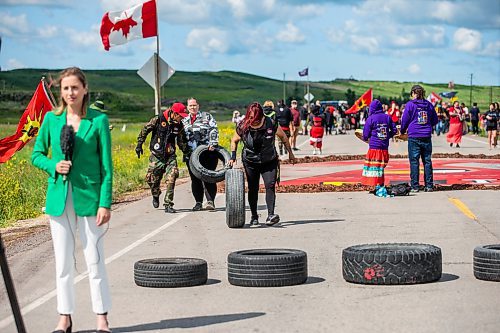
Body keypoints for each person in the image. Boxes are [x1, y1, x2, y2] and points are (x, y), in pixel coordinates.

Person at [31, 67, 112, 333]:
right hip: (58, 198)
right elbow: (37, 155)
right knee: (63, 262)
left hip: (90, 198)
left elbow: (107, 168)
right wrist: (54, 165)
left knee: (94, 259)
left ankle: (102, 319)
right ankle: (64, 317)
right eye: (66, 88)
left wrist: (105, 203)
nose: (70, 93)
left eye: (75, 87)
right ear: (61, 91)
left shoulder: (98, 121)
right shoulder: (51, 120)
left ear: (85, 89)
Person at [228, 102, 296, 227]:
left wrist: (290, 153)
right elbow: (234, 140)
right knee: (253, 188)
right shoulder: (243, 125)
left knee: (270, 185)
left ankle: (271, 215)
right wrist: (233, 156)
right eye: (252, 121)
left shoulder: (271, 123)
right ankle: (254, 216)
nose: (254, 123)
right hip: (250, 161)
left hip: (269, 160)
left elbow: (283, 138)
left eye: (256, 121)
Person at [135, 102, 191, 213]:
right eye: (180, 116)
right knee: (151, 180)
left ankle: (168, 204)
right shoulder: (159, 119)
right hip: (156, 156)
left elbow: (181, 140)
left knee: (172, 177)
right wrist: (139, 144)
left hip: (170, 156)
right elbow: (145, 129)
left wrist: (186, 152)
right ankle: (155, 194)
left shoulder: (179, 125)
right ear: (174, 113)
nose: (181, 119)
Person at [182, 97, 220, 211]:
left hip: (207, 153)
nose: (193, 107)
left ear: (198, 106)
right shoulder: (184, 120)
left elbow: (214, 129)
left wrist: (213, 143)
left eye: (194, 105)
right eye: (190, 106)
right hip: (191, 155)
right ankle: (198, 202)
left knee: (208, 177)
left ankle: (210, 201)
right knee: (195, 179)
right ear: (187, 107)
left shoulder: (206, 116)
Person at [400, 84, 438, 192]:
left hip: (414, 136)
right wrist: (427, 124)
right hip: (426, 135)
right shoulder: (429, 105)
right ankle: (429, 186)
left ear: (413, 93)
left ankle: (415, 186)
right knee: (427, 161)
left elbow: (405, 120)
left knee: (414, 161)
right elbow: (435, 120)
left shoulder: (410, 105)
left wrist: (402, 131)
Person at [361, 100, 397, 189]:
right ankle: (380, 184)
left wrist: (366, 138)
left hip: (374, 147)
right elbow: (395, 130)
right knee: (381, 167)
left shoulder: (371, 118)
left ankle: (376, 186)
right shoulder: (387, 117)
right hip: (384, 147)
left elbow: (365, 134)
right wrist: (388, 136)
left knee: (374, 167)